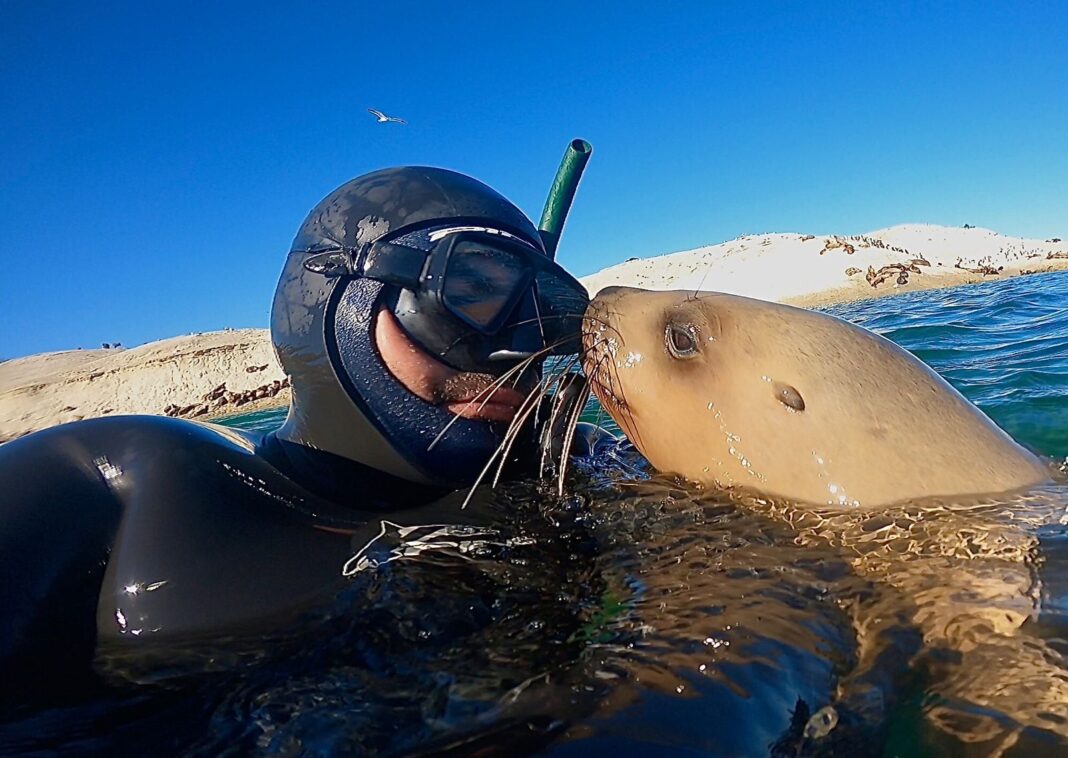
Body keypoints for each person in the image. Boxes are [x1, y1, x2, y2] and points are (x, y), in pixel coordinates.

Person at [0, 166, 594, 704]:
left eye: (549, 315)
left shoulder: (570, 471)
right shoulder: (127, 480)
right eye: (470, 291)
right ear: (336, 296)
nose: (523, 349)